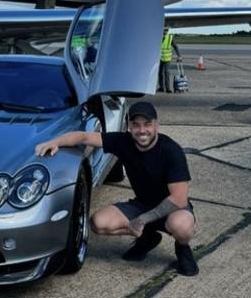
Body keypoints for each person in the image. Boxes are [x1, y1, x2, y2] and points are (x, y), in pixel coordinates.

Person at [35, 101, 198, 276]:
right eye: (136, 125)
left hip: (171, 208)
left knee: (181, 226)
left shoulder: (171, 151)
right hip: (142, 204)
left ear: (157, 125)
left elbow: (178, 199)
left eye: (147, 124)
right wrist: (55, 142)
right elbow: (83, 137)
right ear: (129, 126)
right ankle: (149, 237)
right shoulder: (123, 141)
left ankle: (182, 249)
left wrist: (142, 220)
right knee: (99, 223)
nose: (142, 130)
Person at [158, 27, 182, 93]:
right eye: (164, 30)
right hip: (160, 58)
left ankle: (168, 88)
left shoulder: (170, 37)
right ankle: (161, 87)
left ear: (168, 30)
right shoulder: (158, 36)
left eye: (166, 30)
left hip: (167, 58)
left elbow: (175, 47)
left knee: (166, 72)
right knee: (160, 73)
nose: (165, 31)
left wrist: (179, 56)